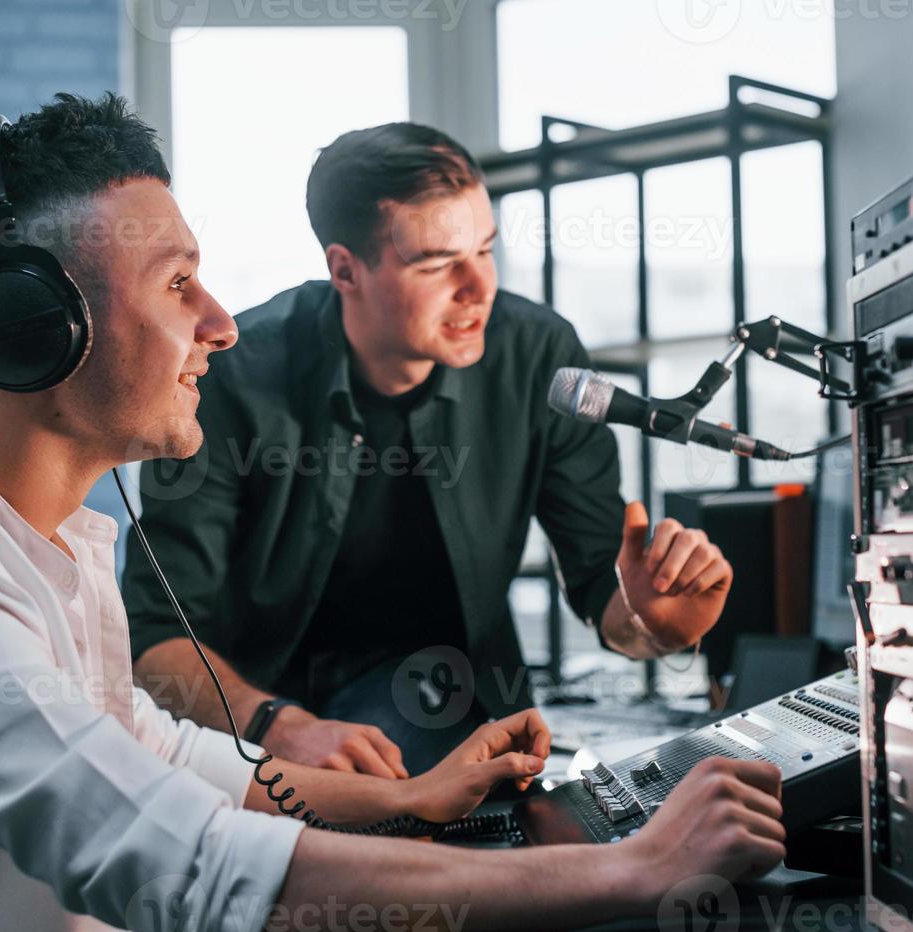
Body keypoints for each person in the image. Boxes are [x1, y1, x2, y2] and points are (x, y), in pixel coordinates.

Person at [0, 93, 787, 932]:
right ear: (29, 327)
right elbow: (191, 863)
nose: (219, 322)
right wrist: (629, 866)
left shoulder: (44, 540)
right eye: (176, 285)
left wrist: (418, 796)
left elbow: (163, 751)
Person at [124, 122, 735, 777]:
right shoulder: (234, 374)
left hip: (462, 711)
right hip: (262, 722)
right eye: (438, 263)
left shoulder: (538, 357)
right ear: (344, 269)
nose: (479, 288)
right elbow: (154, 636)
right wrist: (278, 728)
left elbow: (601, 591)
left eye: (486, 250)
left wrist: (657, 622)